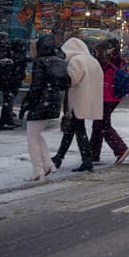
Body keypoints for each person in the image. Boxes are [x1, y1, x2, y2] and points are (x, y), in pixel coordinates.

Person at [18, 34, 70, 182]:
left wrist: (27, 104)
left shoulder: (40, 62)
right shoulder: (59, 61)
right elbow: (66, 83)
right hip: (52, 102)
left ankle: (38, 170)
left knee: (32, 138)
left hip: (40, 102)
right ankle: (47, 165)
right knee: (37, 135)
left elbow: (36, 86)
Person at [52, 37, 104, 172]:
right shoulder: (92, 61)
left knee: (78, 131)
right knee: (73, 131)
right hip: (88, 100)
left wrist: (60, 76)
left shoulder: (76, 61)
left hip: (77, 101)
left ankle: (85, 160)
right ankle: (60, 157)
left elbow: (72, 80)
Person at [90, 42, 129, 166]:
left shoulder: (103, 64)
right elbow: (128, 82)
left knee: (103, 126)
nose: (96, 53)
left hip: (106, 98)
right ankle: (93, 155)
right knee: (98, 126)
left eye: (98, 51)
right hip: (115, 98)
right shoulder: (119, 61)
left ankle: (121, 149)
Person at [0, 37, 28, 130]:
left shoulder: (8, 54)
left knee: (8, 101)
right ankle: (6, 121)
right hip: (12, 81)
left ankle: (6, 121)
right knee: (8, 101)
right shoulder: (17, 56)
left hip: (8, 81)